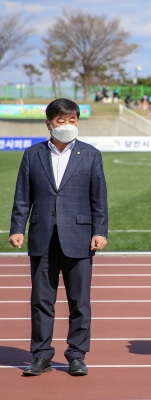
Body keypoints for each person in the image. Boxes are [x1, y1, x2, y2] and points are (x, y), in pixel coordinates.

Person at [9, 98, 108, 377]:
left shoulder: (91, 154)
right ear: (49, 123)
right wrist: (17, 228)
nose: (67, 125)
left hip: (79, 236)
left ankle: (76, 355)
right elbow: (22, 196)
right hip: (42, 236)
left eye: (72, 120)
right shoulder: (33, 154)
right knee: (41, 301)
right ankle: (41, 355)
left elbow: (99, 198)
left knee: (80, 302)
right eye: (61, 120)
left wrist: (100, 231)